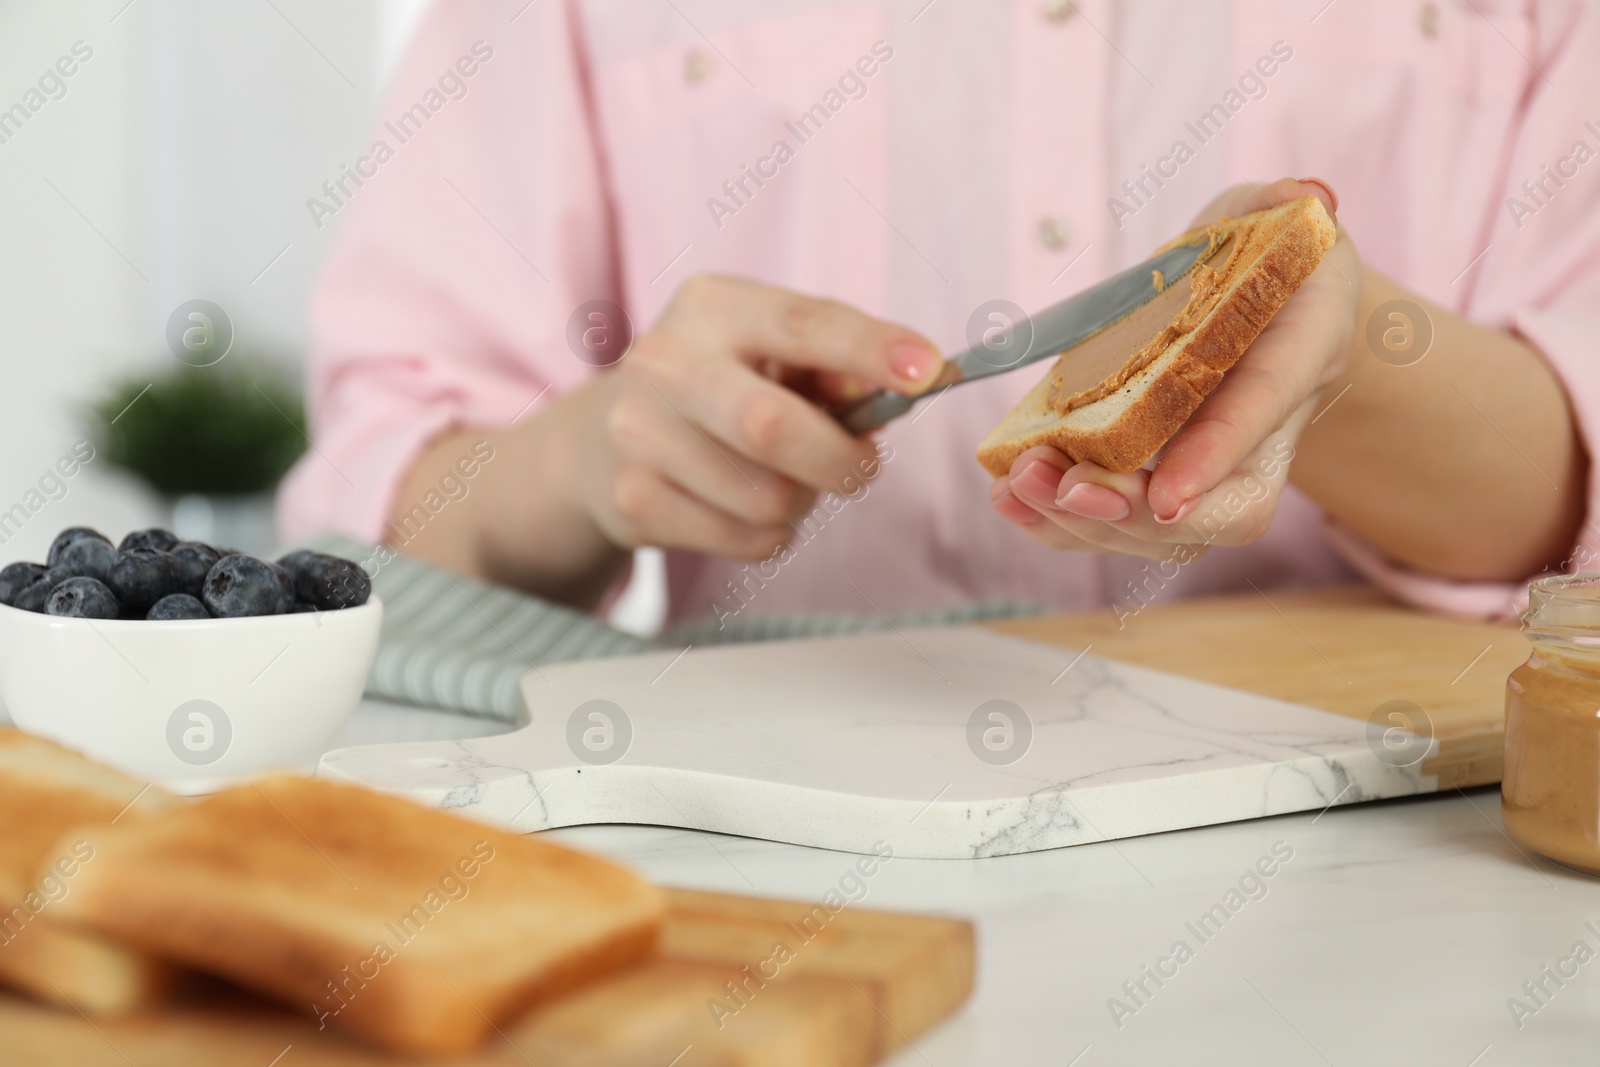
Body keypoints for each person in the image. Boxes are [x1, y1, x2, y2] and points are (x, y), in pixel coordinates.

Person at [280, 0, 1599, 627]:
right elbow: (360, 544)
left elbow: (1574, 504)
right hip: (752, 885)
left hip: (1401, 866)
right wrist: (587, 459)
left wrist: (1345, 353)